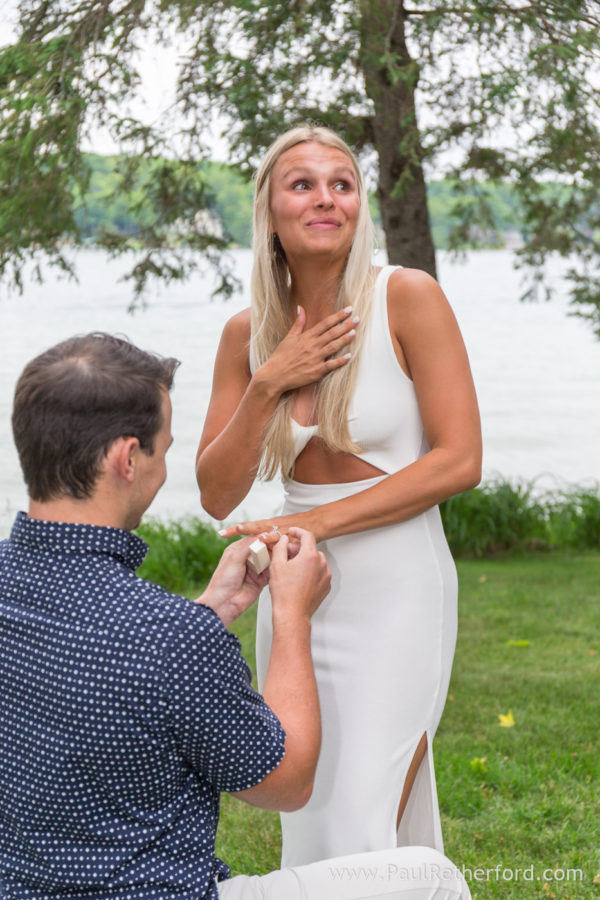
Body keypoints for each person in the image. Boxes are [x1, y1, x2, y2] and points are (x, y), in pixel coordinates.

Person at [0, 332, 472, 900]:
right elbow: (288, 781)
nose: (164, 470)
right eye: (164, 449)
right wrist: (293, 617)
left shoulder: (84, 608)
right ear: (128, 458)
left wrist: (210, 612)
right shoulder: (167, 637)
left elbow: (94, 670)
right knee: (430, 877)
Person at [196, 125, 482, 868]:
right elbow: (217, 491)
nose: (326, 197)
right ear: (270, 210)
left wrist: (314, 522)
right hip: (297, 596)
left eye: (342, 183)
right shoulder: (243, 337)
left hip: (396, 586)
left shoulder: (407, 299)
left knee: (364, 807)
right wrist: (268, 381)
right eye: (303, 183)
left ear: (360, 204)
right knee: (310, 803)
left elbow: (459, 462)